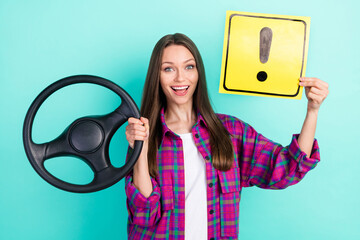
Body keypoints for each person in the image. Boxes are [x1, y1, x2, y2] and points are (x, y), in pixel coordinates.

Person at [124, 33, 329, 240]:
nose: (180, 78)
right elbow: (144, 214)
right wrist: (140, 148)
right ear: (156, 76)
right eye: (168, 68)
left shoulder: (231, 132)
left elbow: (288, 167)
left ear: (198, 73)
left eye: (189, 67)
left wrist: (312, 110)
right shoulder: (146, 135)